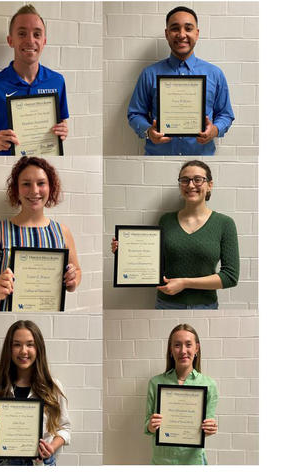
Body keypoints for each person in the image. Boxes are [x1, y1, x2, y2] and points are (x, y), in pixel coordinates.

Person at [111, 160, 239, 309]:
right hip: (166, 303)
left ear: (209, 185)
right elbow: (155, 262)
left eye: (198, 179)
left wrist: (185, 283)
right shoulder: (166, 220)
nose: (191, 185)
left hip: (205, 306)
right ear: (180, 185)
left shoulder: (225, 223)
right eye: (185, 180)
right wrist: (126, 252)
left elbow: (230, 277)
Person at [0, 156, 81, 311]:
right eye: (26, 184)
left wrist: (73, 281)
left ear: (50, 187)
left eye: (41, 183)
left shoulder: (62, 232)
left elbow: (77, 270)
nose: (34, 190)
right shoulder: (0, 231)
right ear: (16, 189)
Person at [127, 6, 234, 155]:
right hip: (157, 158)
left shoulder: (215, 74)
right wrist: (148, 131)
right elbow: (135, 114)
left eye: (188, 28)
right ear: (167, 34)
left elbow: (225, 114)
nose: (181, 34)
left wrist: (215, 130)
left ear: (197, 34)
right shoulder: (149, 74)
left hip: (201, 157)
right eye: (175, 28)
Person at [0, 4, 68, 155]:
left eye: (37, 34)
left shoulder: (57, 81)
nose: (30, 40)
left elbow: (62, 120)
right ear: (10, 40)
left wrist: (63, 129)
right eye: (22, 33)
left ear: (44, 41)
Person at [0, 320, 70, 465]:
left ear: (38, 348)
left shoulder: (53, 387)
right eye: (16, 344)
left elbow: (65, 429)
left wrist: (51, 448)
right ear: (9, 349)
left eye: (30, 344)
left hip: (41, 464)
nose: (23, 351)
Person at [145, 324, 218, 464]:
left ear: (197, 348)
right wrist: (151, 426)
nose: (183, 351)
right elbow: (147, 425)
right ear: (171, 350)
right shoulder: (155, 383)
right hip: (162, 461)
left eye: (188, 345)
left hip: (193, 462)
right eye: (177, 345)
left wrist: (209, 428)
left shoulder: (209, 385)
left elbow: (206, 427)